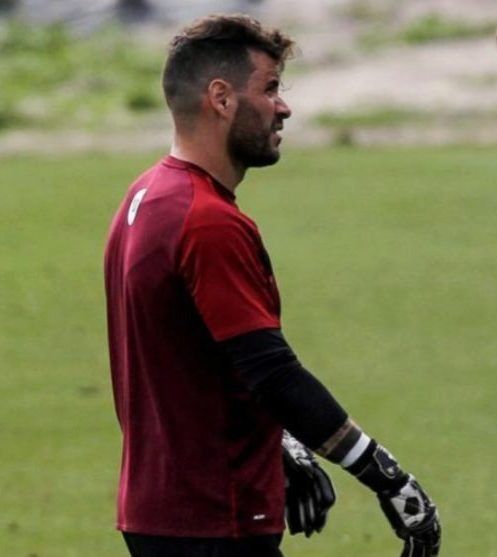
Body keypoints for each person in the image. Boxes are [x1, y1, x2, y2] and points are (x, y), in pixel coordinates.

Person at [103, 14, 440, 557]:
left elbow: (191, 359)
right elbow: (272, 372)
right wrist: (388, 477)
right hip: (216, 520)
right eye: (271, 88)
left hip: (161, 512)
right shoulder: (207, 220)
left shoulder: (145, 196)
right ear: (220, 98)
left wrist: (281, 442)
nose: (283, 107)